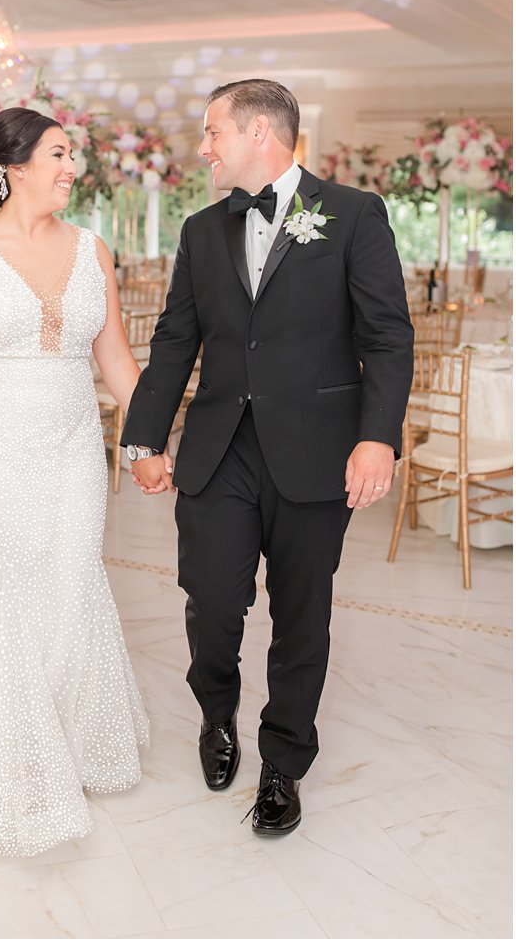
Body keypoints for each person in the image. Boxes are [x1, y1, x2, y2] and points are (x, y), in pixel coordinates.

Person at [122, 79, 413, 835]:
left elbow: (386, 335)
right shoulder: (198, 229)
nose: (204, 147)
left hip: (316, 454)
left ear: (259, 132)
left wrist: (377, 435)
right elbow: (175, 342)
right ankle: (216, 716)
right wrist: (144, 436)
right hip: (220, 451)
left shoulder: (351, 214)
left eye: (213, 131)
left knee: (302, 616)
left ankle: (283, 762)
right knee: (212, 601)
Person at [0, 106, 149, 857]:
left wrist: (145, 441)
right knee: (1, 586)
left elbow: (114, 359)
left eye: (71, 154)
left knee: (71, 580)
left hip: (74, 447)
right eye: (56, 153)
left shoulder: (92, 250)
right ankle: (6, 756)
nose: (71, 168)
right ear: (13, 166)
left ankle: (66, 743)